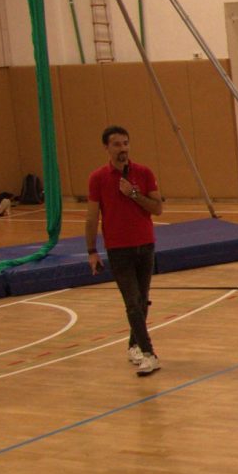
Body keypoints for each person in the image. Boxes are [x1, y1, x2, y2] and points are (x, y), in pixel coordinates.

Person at [85, 125, 165, 376]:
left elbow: (157, 208)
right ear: (107, 148)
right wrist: (91, 250)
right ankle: (149, 353)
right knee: (132, 302)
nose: (123, 149)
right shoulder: (98, 178)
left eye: (125, 143)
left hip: (145, 245)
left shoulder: (144, 173)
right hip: (118, 249)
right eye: (117, 144)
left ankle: (134, 345)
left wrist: (133, 193)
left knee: (141, 300)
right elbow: (92, 217)